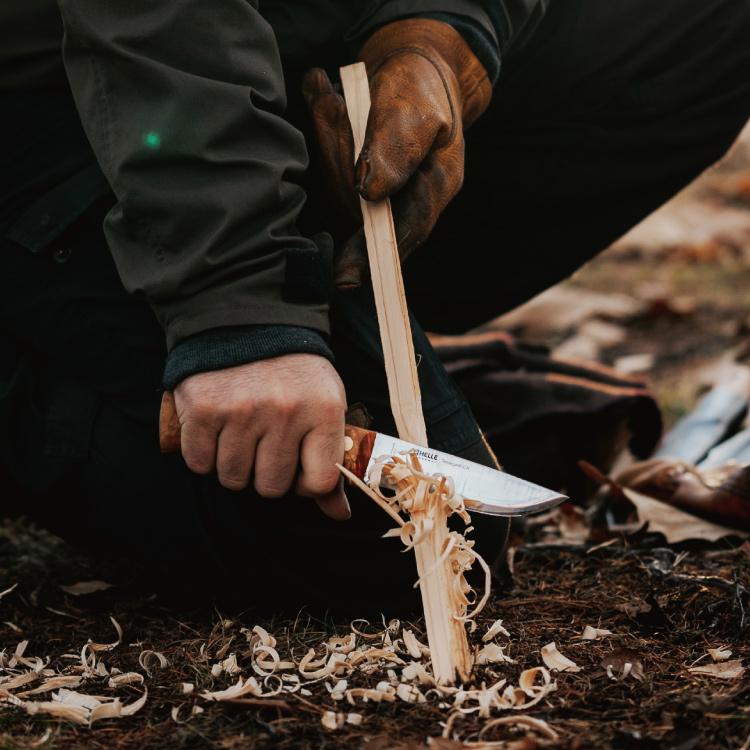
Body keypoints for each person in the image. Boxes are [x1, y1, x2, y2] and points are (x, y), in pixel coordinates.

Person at [0, 0, 748, 612]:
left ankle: (352, 330)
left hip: (291, 48)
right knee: (423, 545)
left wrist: (437, 35)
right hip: (74, 84)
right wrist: (237, 305)